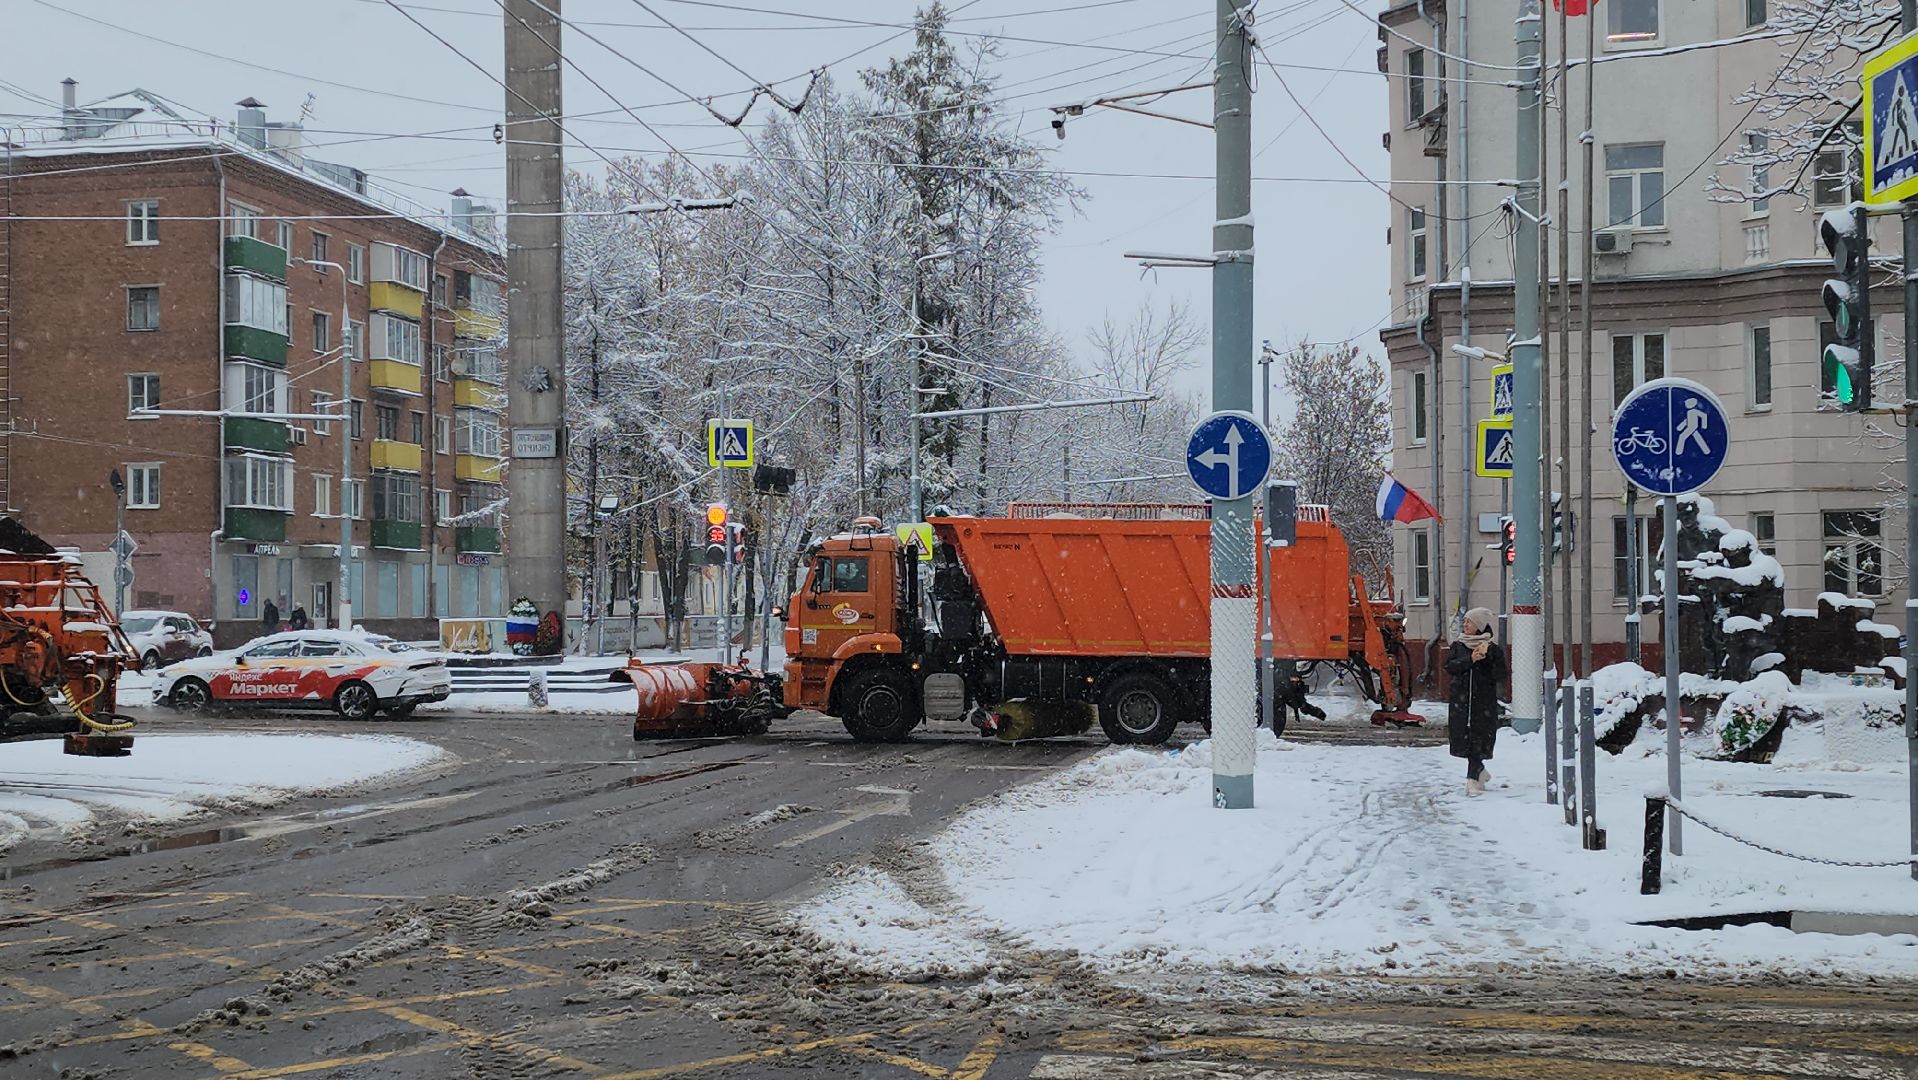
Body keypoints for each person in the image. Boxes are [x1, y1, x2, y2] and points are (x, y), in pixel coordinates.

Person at [1445, 607, 1505, 797]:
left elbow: (1500, 674)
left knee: (1479, 738)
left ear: (1479, 626)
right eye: (1465, 622)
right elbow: (1450, 667)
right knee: (1464, 738)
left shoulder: (1493, 649)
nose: (1465, 625)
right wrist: (1470, 659)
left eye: (1469, 622)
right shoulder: (1458, 646)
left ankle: (1472, 779)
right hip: (1460, 703)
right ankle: (1478, 770)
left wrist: (1485, 660)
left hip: (1483, 704)